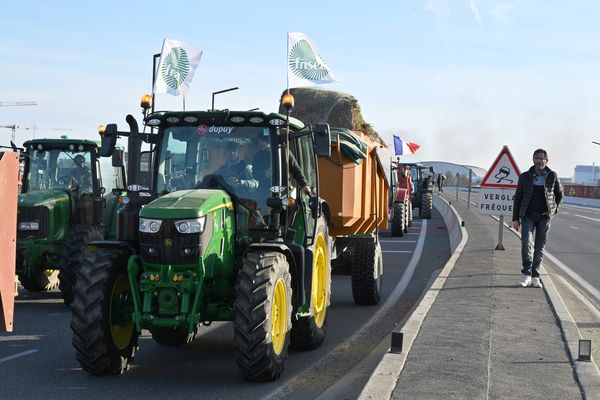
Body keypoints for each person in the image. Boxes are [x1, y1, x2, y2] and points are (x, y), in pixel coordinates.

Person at [512, 148, 563, 288]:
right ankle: (526, 274)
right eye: (537, 158)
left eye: (542, 158)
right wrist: (515, 218)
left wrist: (553, 210)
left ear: (547, 161)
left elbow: (559, 196)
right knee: (526, 243)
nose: (540, 161)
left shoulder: (552, 176)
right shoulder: (525, 177)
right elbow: (518, 198)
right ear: (533, 159)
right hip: (527, 215)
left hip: (544, 217)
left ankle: (535, 276)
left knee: (540, 246)